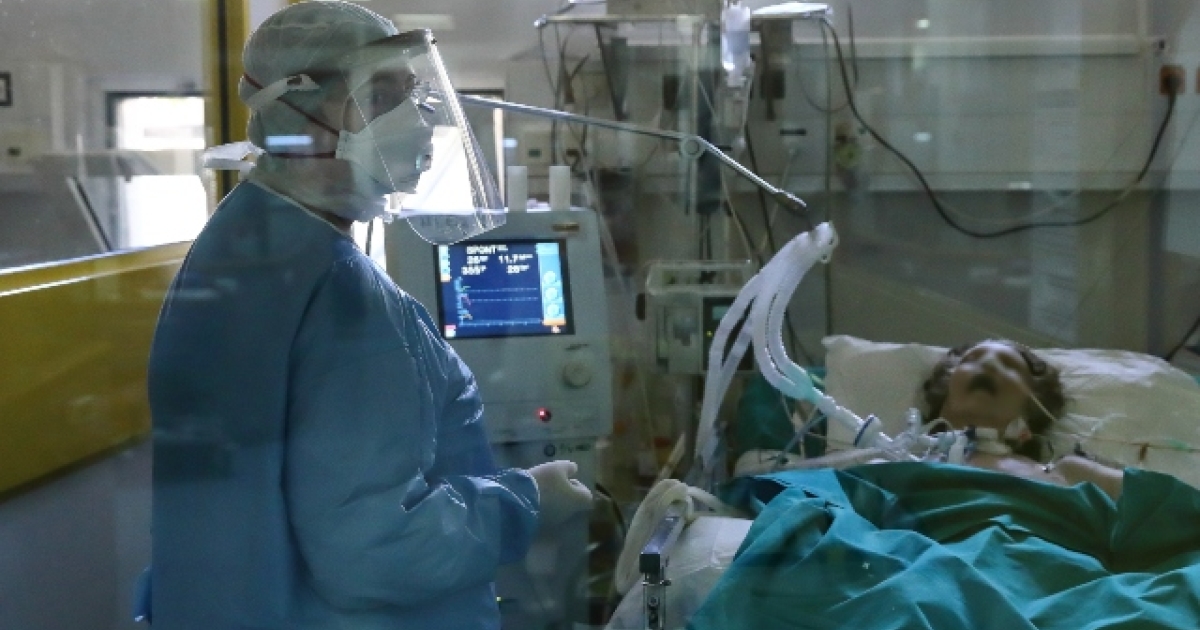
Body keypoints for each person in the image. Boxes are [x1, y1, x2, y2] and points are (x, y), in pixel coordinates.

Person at [143, 2, 592, 628]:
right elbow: (378, 552)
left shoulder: (241, 245)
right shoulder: (340, 298)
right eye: (381, 95)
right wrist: (528, 500)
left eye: (412, 94)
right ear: (294, 111)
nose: (415, 120)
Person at [921, 339, 1124, 499]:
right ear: (945, 392)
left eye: (1008, 365)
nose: (988, 365)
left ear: (1033, 408)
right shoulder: (905, 461)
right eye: (971, 360)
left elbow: (1143, 506)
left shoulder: (1071, 474)